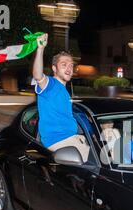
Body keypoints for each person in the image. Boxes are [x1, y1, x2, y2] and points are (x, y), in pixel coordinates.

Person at [32, 33, 90, 162]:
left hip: (71, 139)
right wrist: (40, 49)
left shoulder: (64, 91)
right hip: (59, 142)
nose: (69, 68)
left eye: (71, 65)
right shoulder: (51, 85)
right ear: (54, 68)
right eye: (64, 64)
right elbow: (38, 76)